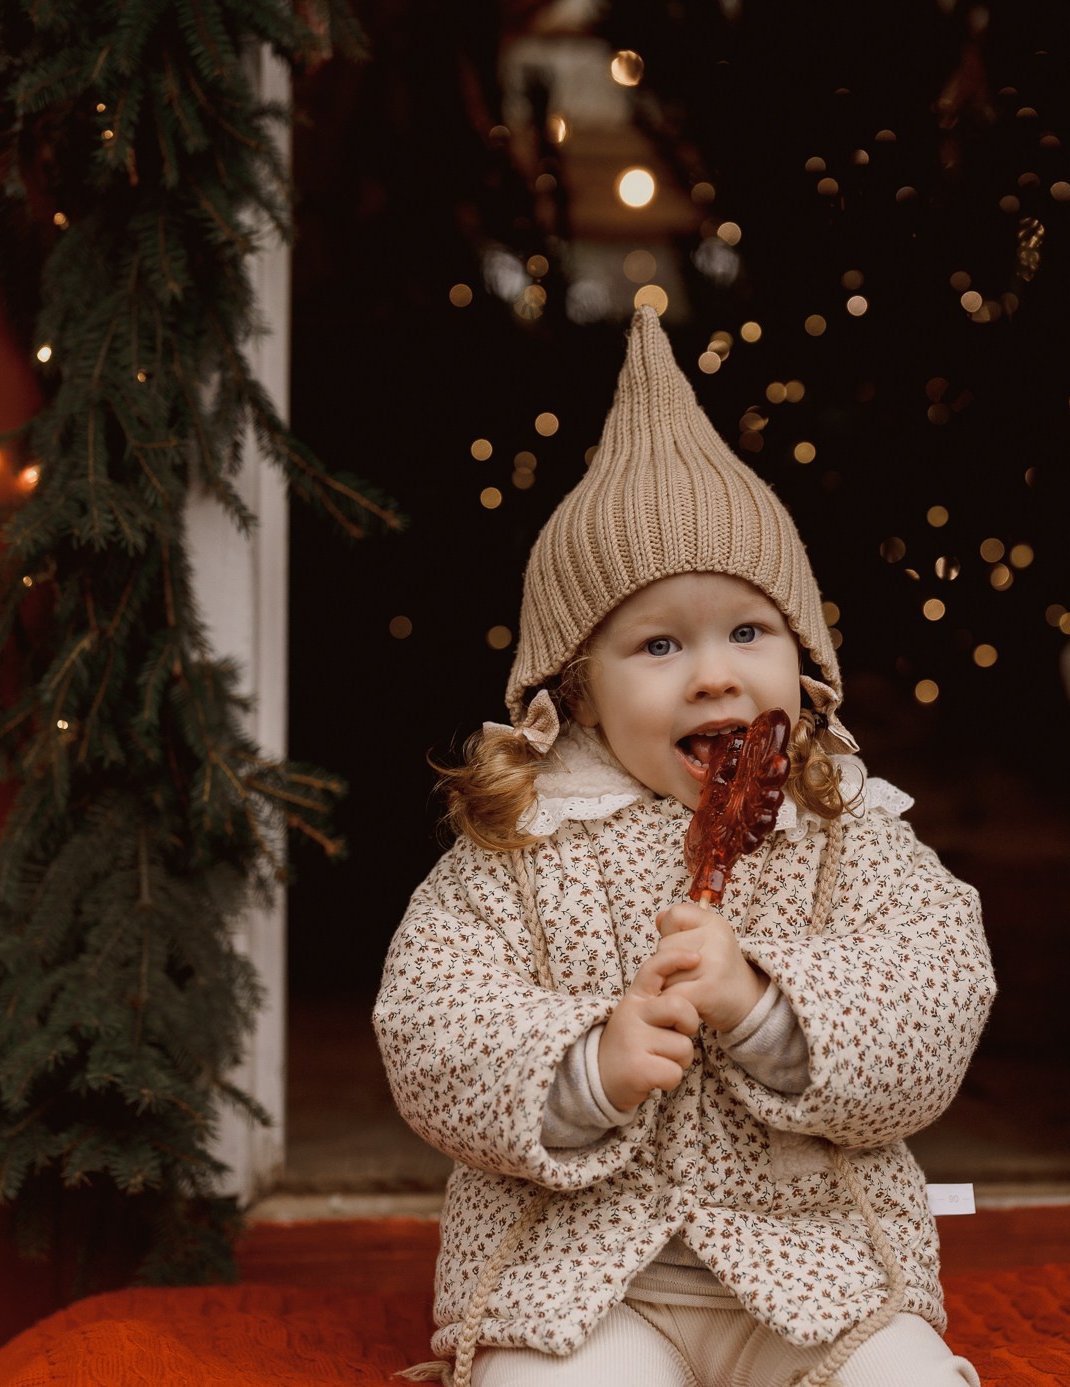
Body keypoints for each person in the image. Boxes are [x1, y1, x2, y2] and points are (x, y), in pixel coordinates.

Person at [375, 305, 997, 1387]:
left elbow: (937, 999)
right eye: (659, 643)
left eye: (748, 632)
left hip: (822, 1269)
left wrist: (763, 1006)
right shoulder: (519, 847)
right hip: (575, 1280)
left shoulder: (848, 833)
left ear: (803, 662)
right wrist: (588, 1067)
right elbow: (429, 1026)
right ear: (577, 688)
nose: (715, 675)